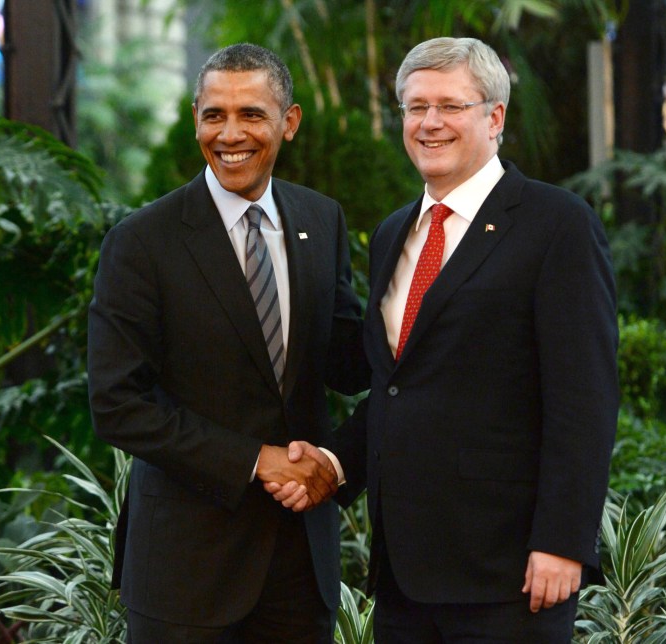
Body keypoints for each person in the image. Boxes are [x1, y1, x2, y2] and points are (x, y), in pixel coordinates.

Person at [268, 36, 618, 642]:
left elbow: (583, 397)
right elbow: (398, 387)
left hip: (510, 575)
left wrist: (562, 543)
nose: (430, 123)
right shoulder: (391, 234)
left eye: (451, 106)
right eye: (415, 107)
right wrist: (332, 463)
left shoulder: (556, 223)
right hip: (405, 577)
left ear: (495, 116)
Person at [87, 43, 369, 643]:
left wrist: (434, 306)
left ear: (288, 123)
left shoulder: (321, 220)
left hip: (299, 568)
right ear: (195, 119)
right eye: (214, 114)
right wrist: (252, 459)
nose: (230, 133)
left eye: (251, 115)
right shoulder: (141, 243)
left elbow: (347, 362)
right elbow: (117, 404)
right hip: (186, 573)